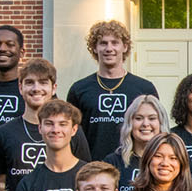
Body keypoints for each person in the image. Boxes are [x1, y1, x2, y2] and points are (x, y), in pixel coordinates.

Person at [0, 57, 92, 191]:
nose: (36, 89)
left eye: (43, 83)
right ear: (20, 87)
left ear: (53, 88)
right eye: (29, 82)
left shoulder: (70, 131)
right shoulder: (3, 133)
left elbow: (85, 174)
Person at [66, 19, 159, 159]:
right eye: (103, 43)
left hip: (133, 166)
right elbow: (71, 134)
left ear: (125, 47)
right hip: (91, 167)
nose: (109, 48)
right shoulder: (79, 89)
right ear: (94, 48)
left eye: (115, 42)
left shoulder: (144, 88)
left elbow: (157, 130)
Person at [103, 93, 166, 191]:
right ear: (129, 124)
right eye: (138, 118)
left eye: (152, 118)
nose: (145, 124)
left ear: (161, 124)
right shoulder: (112, 162)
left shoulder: (176, 162)